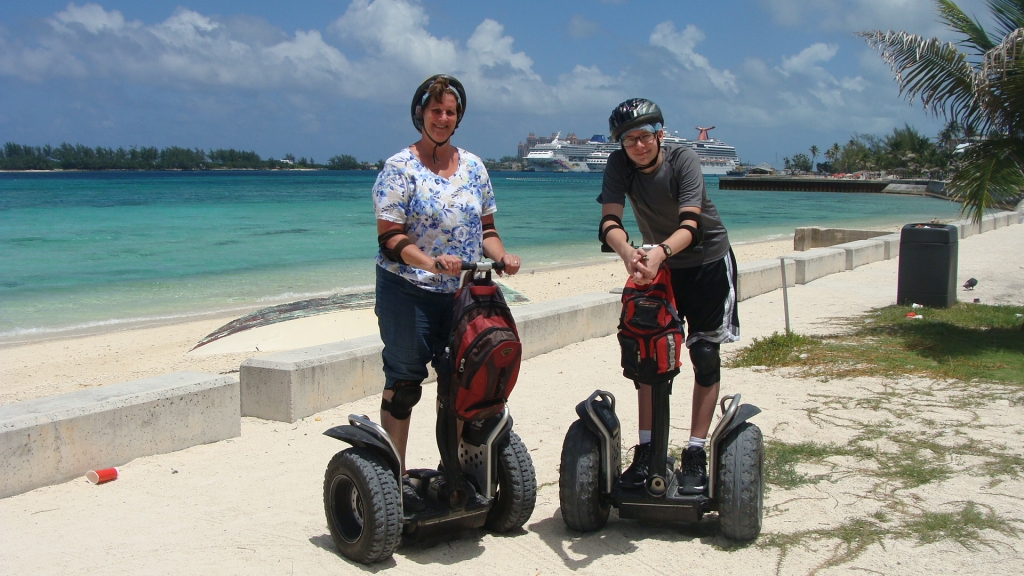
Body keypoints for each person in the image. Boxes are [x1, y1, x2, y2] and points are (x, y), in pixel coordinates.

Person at [372, 74, 521, 511]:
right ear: (421, 113)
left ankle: (450, 472)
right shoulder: (399, 167)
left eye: (450, 111)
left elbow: (487, 230)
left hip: (461, 294)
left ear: (458, 117)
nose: (442, 118)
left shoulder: (474, 166)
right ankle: (392, 482)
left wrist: (503, 255)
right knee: (404, 384)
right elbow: (389, 238)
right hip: (408, 290)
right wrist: (430, 262)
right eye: (434, 110)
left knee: (460, 382)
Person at [596, 98, 739, 495]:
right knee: (647, 352)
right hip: (657, 263)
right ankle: (647, 449)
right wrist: (629, 253)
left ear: (659, 134)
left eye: (644, 136)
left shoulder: (683, 160)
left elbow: (691, 225)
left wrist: (658, 253)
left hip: (706, 261)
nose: (638, 146)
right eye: (629, 140)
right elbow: (609, 220)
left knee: (705, 354)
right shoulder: (619, 165)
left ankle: (695, 450)